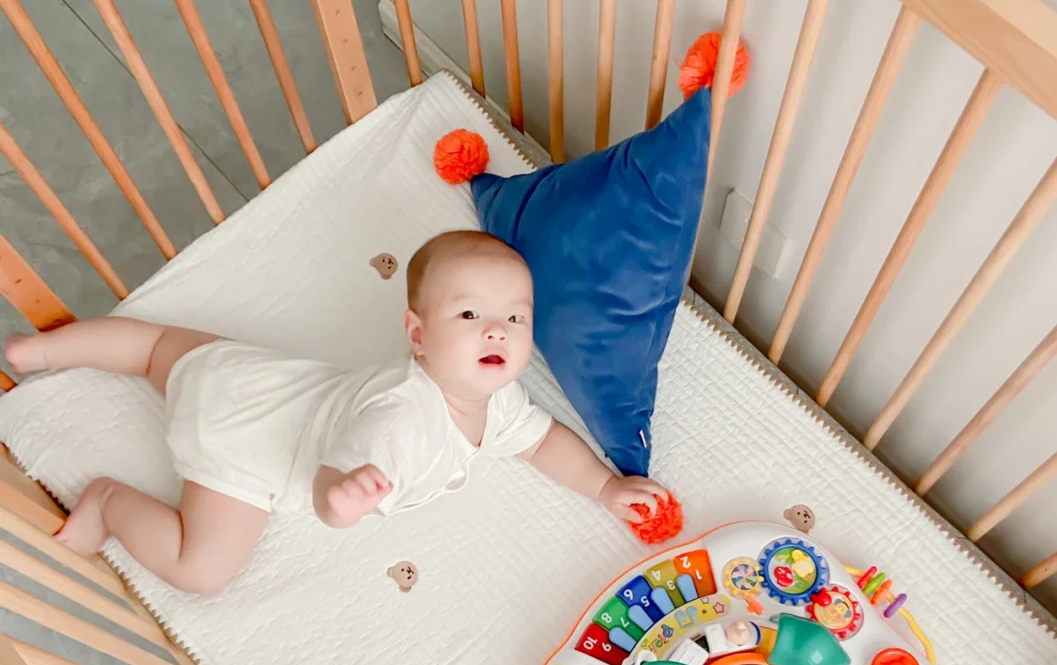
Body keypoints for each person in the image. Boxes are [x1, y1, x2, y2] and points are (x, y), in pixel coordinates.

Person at [4, 231, 668, 594]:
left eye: (514, 318)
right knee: (200, 570)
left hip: (245, 377)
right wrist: (343, 500)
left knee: (153, 349)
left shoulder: (497, 400)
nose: (497, 330)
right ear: (416, 334)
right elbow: (329, 489)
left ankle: (44, 352)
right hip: (241, 453)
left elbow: (542, 441)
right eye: (470, 314)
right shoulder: (400, 421)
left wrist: (605, 487)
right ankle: (109, 501)